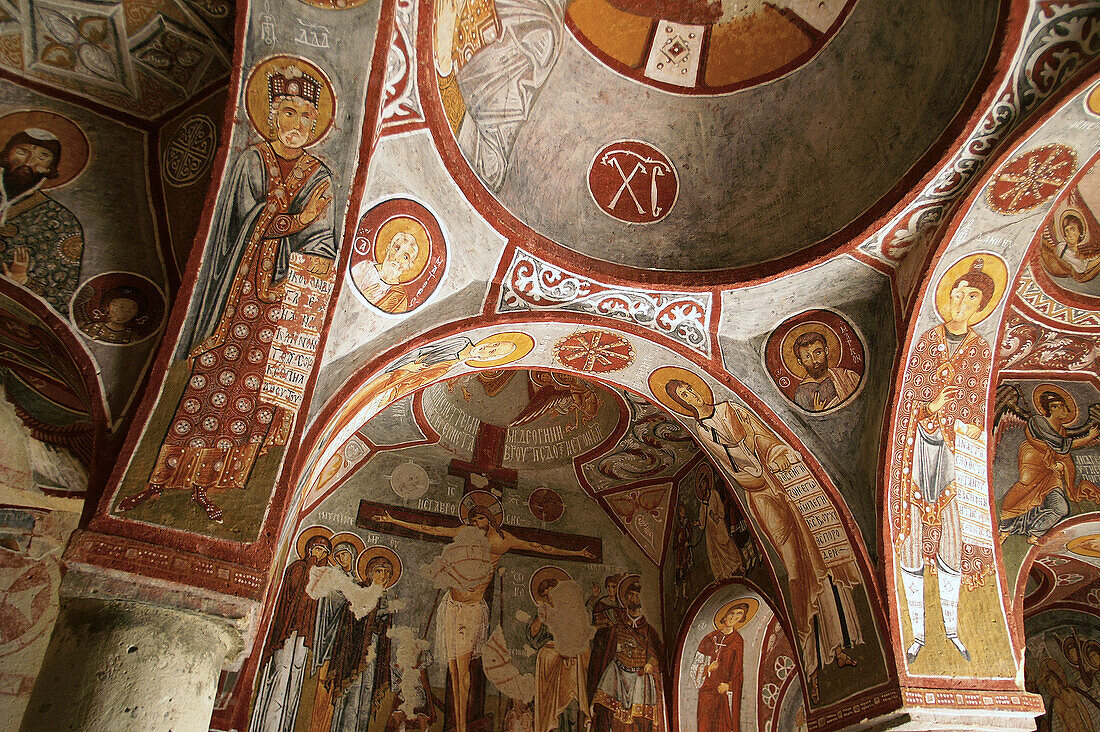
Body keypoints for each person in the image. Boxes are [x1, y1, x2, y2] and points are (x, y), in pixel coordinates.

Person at [117, 63, 336, 523]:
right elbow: (240, 222)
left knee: (254, 396)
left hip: (283, 306)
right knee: (209, 382)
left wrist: (308, 241)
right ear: (272, 116)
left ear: (316, 126)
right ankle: (161, 478)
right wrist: (296, 221)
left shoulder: (319, 175)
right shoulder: (251, 160)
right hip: (237, 296)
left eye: (306, 119)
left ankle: (211, 484)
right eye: (289, 113)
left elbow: (323, 242)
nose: (297, 126)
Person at [664, 379, 860, 702]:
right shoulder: (702, 432)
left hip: (778, 480)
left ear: (700, 389)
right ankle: (813, 661)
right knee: (794, 569)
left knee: (816, 563)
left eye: (690, 389)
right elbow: (730, 463)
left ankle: (834, 650)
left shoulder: (731, 409)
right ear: (683, 403)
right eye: (683, 395)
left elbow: (761, 437)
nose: (690, 395)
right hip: (758, 494)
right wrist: (749, 476)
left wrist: (776, 453)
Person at [378, 503, 593, 732]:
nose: (475, 525)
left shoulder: (501, 542)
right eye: (472, 521)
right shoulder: (466, 534)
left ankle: (461, 727)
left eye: (480, 519)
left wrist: (576, 553)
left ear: (490, 520)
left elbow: (538, 546)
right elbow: (435, 529)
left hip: (472, 610)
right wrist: (393, 521)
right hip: (451, 606)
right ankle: (458, 725)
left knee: (464, 670)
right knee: (453, 670)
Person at [895, 257, 999, 664]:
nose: (960, 299)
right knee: (912, 543)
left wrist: (968, 424)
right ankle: (917, 634)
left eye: (971, 296)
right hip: (916, 457)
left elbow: (977, 404)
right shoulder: (926, 342)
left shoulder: (979, 349)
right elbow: (907, 399)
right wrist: (931, 405)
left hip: (954, 461)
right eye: (957, 291)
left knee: (952, 543)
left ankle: (954, 632)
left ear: (980, 306)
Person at [250, 533, 332, 732]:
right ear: (308, 550)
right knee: (281, 672)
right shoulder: (297, 568)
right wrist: (311, 568)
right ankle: (268, 726)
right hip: (287, 630)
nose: (318, 554)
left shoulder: (323, 577)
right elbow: (293, 590)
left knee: (295, 677)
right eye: (316, 549)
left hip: (304, 635)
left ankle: (285, 727)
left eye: (322, 552)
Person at [0, 128, 83, 314]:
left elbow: (64, 302)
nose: (29, 162)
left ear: (50, 168)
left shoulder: (61, 221)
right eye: (22, 152)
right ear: (6, 156)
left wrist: (23, 281)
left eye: (42, 157)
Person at [999, 390, 1100, 543]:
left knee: (1061, 508)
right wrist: (1089, 437)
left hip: (1051, 471)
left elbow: (1061, 451)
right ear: (1048, 409)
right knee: (1020, 494)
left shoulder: (1062, 431)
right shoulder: (1038, 421)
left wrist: (1062, 465)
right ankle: (1004, 529)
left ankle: (1035, 533)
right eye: (1055, 406)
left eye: (1062, 405)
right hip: (1034, 462)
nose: (1060, 409)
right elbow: (1061, 445)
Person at [327, 555, 396, 731]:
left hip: (372, 653)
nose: (383, 576)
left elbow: (383, 633)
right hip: (354, 654)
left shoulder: (384, 597)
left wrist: (383, 617)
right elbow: (351, 622)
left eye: (386, 572)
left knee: (366, 693)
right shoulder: (359, 590)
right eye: (378, 571)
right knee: (352, 694)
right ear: (369, 573)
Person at [587, 576, 663, 731]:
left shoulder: (648, 630)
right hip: (618, 671)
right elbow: (596, 627)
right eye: (630, 594)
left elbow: (657, 655)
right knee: (607, 709)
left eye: (636, 595)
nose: (633, 598)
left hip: (640, 676)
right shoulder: (617, 620)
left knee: (638, 720)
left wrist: (650, 664)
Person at [524, 575, 591, 732]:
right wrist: (540, 619)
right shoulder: (544, 612)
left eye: (552, 592)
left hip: (572, 668)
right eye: (546, 595)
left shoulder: (572, 611)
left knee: (572, 709)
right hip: (551, 667)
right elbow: (533, 636)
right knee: (552, 712)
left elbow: (584, 638)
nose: (550, 597)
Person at [690, 602, 747, 732]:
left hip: (723, 692)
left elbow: (738, 671)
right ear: (725, 615)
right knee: (705, 725)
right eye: (732, 613)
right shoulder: (709, 639)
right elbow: (694, 667)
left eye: (739, 615)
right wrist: (707, 669)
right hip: (707, 691)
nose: (734, 618)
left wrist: (729, 686)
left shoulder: (737, 641)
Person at [351, 230, 420, 313]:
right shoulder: (365, 267)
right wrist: (360, 298)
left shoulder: (399, 298)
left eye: (405, 257)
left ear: (409, 265)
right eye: (396, 248)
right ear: (388, 248)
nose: (397, 257)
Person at [790, 330, 860, 412]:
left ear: (826, 351)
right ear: (800, 362)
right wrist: (817, 413)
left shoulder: (848, 377)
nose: (814, 360)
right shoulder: (801, 393)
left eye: (818, 353)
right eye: (807, 357)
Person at [1039, 202, 1100, 283]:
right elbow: (1081, 268)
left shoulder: (1085, 250)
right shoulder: (1062, 248)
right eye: (1066, 230)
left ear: (1080, 233)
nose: (1069, 234)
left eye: (1072, 229)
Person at [79, 286, 147, 345]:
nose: (122, 313)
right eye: (120, 307)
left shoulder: (133, 337)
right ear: (107, 307)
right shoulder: (91, 329)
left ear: (136, 313)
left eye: (130, 309)